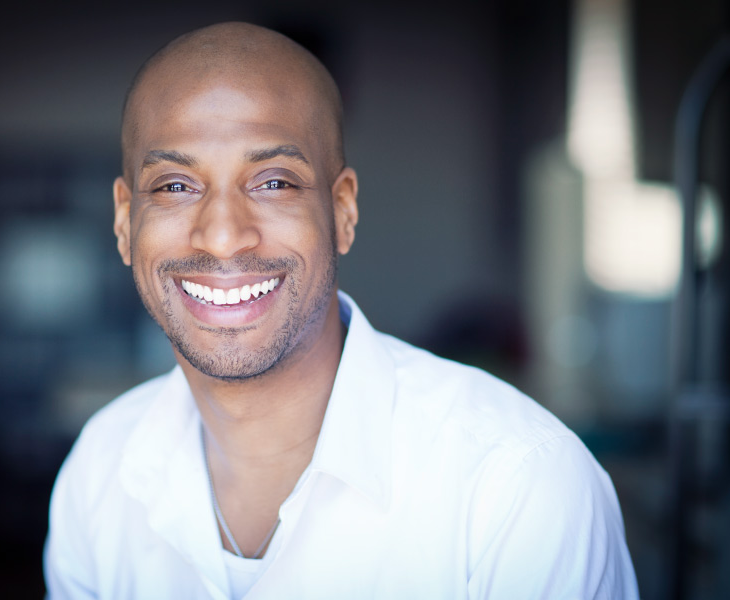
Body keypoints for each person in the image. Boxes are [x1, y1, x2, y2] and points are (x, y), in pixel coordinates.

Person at [44, 21, 638, 599]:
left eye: (273, 182)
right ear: (125, 222)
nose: (222, 236)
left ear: (344, 211)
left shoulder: (516, 488)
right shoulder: (100, 473)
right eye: (175, 186)